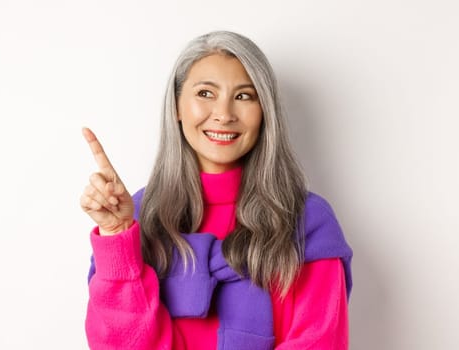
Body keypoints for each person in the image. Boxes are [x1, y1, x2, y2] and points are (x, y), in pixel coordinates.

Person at [79, 31, 353, 350]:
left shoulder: (307, 221)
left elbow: (320, 341)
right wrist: (116, 233)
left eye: (244, 96)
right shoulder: (138, 216)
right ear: (177, 107)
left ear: (265, 113)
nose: (224, 114)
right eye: (206, 93)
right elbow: (121, 344)